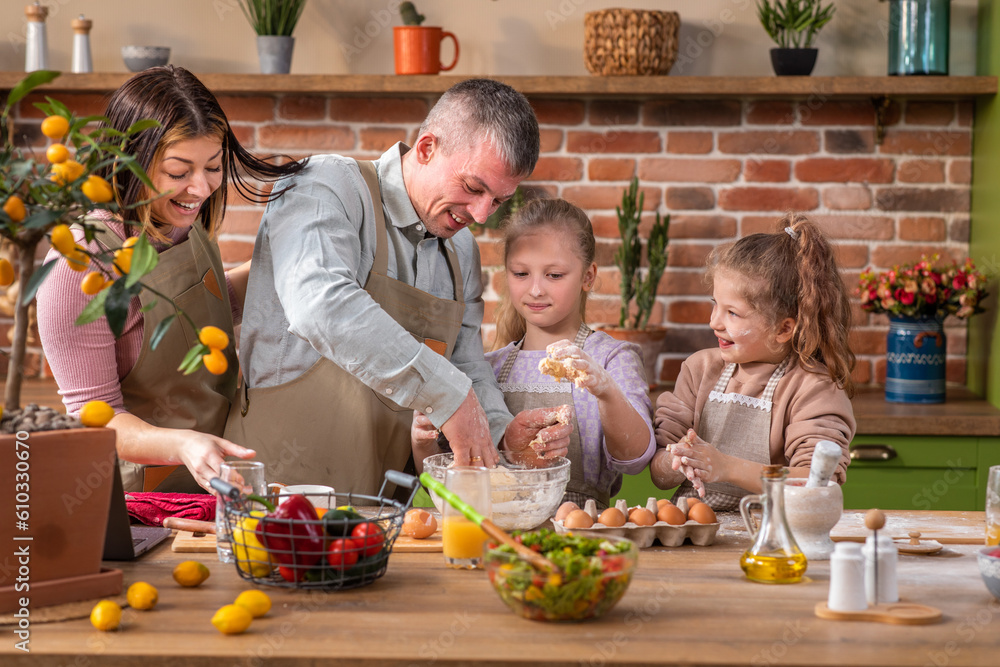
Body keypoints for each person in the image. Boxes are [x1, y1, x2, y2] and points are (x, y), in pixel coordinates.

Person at [225, 79, 571, 497]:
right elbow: (321, 306)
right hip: (271, 493)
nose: (480, 214)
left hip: (383, 510)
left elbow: (466, 363)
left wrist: (499, 432)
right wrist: (450, 396)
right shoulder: (323, 186)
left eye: (497, 201)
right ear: (426, 148)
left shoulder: (460, 249)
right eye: (473, 188)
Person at [37, 66, 306, 493]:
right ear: (130, 163)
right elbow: (95, 416)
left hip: (215, 476)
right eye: (179, 173)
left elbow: (208, 310)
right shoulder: (83, 262)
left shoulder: (186, 225)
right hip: (140, 500)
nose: (200, 188)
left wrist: (301, 265)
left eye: (213, 167)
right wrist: (181, 444)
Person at [411, 198, 655, 509]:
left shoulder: (610, 358)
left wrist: (605, 389)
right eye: (521, 273)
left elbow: (635, 458)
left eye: (554, 275)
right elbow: (449, 477)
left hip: (578, 531)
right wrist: (424, 443)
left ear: (587, 277)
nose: (536, 289)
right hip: (495, 530)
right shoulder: (489, 369)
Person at [650, 214, 857, 510]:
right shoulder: (699, 370)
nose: (714, 323)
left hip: (774, 538)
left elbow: (819, 482)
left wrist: (726, 467)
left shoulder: (812, 387)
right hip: (693, 534)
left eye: (733, 313)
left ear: (784, 328)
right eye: (715, 306)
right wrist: (677, 458)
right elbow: (659, 475)